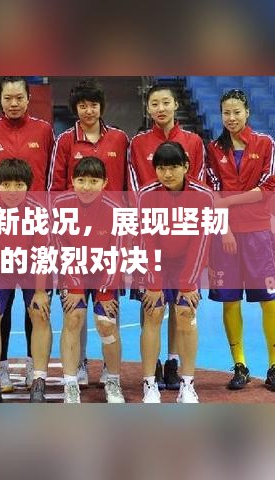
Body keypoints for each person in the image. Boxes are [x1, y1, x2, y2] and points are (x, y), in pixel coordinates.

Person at [47, 78, 128, 387]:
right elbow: (56, 186)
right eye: (82, 105)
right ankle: (78, 363)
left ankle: (110, 369)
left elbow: (128, 182)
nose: (88, 110)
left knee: (109, 309)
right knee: (74, 309)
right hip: (74, 234)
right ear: (75, 109)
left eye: (93, 104)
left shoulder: (119, 139)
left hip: (110, 232)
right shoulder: (65, 140)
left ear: (101, 107)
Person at [0, 77, 54, 393]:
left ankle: (36, 369)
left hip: (34, 227)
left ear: (28, 98)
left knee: (38, 308)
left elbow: (50, 176)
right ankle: (0, 370)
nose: (13, 103)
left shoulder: (44, 131)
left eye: (19, 97)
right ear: (0, 99)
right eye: (7, 98)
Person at [127, 83, 206, 391]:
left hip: (183, 233)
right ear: (148, 108)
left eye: (165, 103)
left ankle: (173, 361)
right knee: (152, 302)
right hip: (150, 231)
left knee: (180, 305)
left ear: (176, 105)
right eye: (154, 104)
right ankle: (154, 364)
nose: (160, 108)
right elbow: (134, 185)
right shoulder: (138, 143)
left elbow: (197, 183)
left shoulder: (193, 141)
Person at [206, 88, 275, 391]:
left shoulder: (265, 143)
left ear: (247, 112)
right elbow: (212, 192)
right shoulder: (213, 148)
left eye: (237, 112)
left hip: (259, 234)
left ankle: (274, 365)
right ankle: (240, 365)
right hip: (226, 236)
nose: (231, 118)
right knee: (229, 299)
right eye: (226, 113)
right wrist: (224, 229)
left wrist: (229, 201)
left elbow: (269, 186)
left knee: (269, 300)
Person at [135, 141, 212, 403]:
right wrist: (153, 283)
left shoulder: (203, 196)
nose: (167, 174)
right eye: (161, 168)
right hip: (155, 260)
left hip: (186, 262)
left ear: (186, 167)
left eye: (173, 168)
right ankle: (149, 384)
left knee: (186, 313)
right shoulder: (146, 195)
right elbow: (145, 240)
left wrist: (188, 284)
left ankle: (187, 385)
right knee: (153, 312)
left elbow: (201, 242)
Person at [0, 158, 52, 403]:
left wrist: (40, 292)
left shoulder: (38, 211)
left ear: (28, 186)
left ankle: (38, 381)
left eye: (19, 185)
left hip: (31, 268)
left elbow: (42, 253)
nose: (12, 191)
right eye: (6, 184)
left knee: (40, 313)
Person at [53, 156, 125, 403]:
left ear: (105, 183)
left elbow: (118, 252)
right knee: (73, 318)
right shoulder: (61, 205)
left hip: (105, 272)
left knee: (106, 323)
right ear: (72, 181)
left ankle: (113, 381)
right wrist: (74, 286)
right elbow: (60, 248)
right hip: (73, 270)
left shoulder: (116, 209)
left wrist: (105, 291)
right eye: (81, 180)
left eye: (94, 181)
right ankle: (70, 384)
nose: (87, 186)